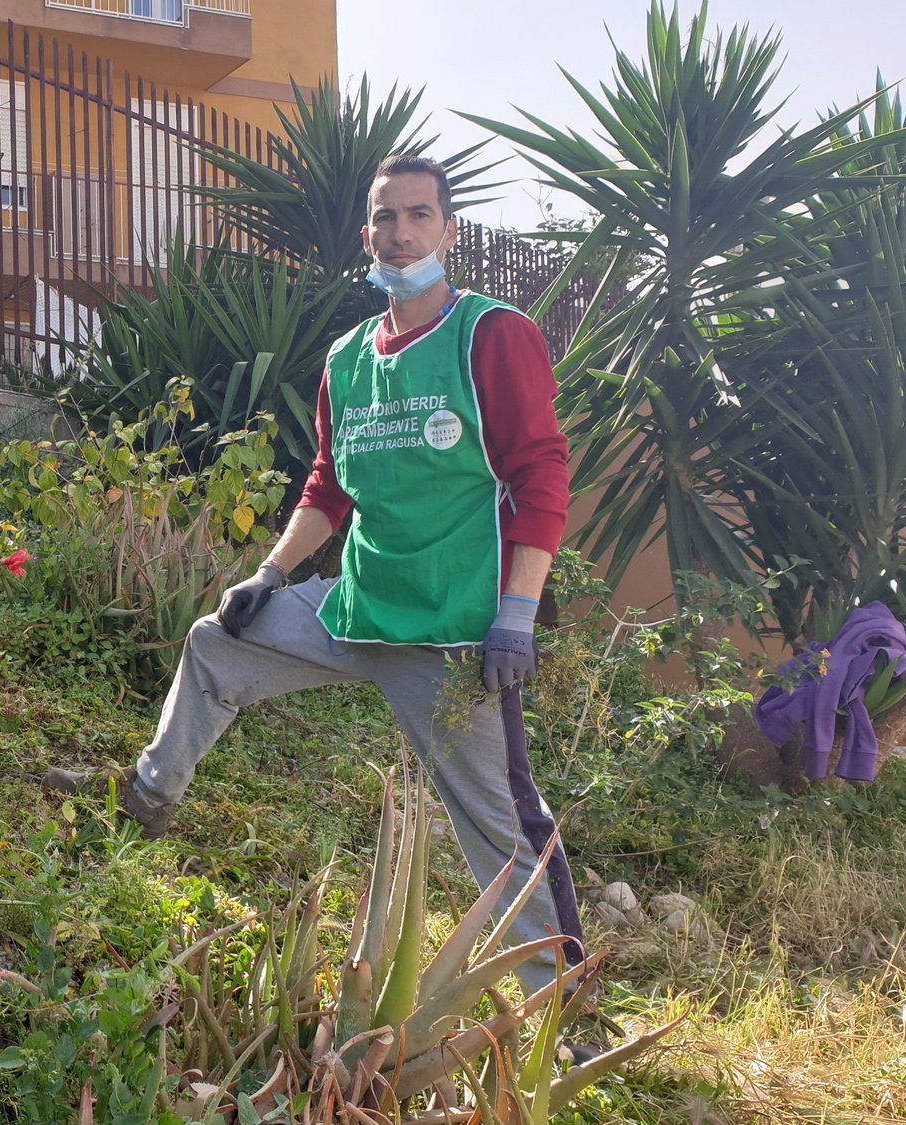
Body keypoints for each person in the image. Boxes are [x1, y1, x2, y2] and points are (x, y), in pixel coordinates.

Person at [43, 154, 589, 1003]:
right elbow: (328, 484)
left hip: (452, 637)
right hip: (353, 604)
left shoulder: (491, 335)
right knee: (215, 646)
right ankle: (148, 795)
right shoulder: (346, 358)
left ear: (447, 231)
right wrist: (268, 573)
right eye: (383, 217)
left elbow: (541, 474)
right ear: (364, 233)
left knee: (500, 825)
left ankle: (561, 1006)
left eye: (417, 215)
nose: (399, 232)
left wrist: (515, 614)